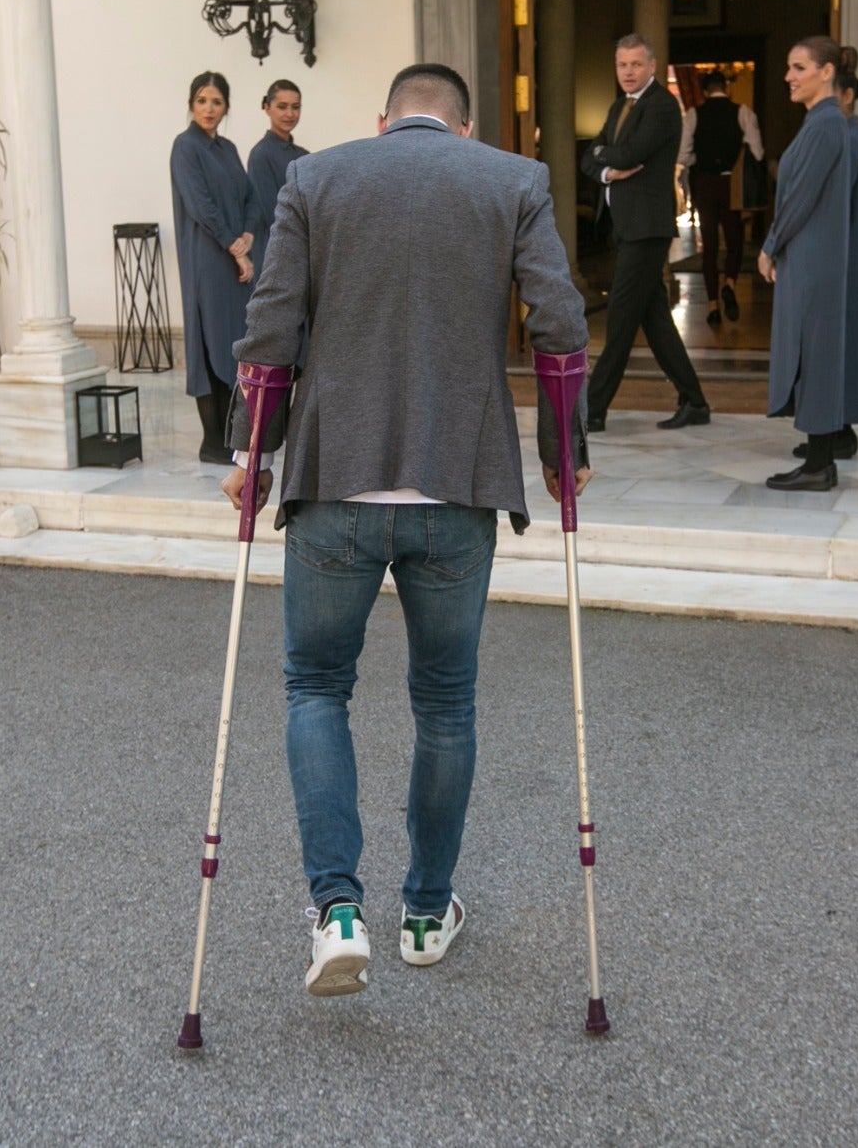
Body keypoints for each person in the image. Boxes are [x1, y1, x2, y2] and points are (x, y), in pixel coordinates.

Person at [221, 63, 591, 999]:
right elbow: (558, 322)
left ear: (384, 121)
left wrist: (251, 453)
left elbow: (270, 323)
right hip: (458, 483)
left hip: (336, 475)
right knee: (445, 702)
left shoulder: (317, 177)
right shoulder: (510, 180)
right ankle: (426, 911)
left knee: (315, 686)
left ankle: (338, 909)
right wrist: (562, 449)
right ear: (465, 129)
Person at [579, 33, 711, 432]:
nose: (628, 72)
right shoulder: (620, 105)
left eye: (636, 64)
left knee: (620, 318)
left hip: (648, 228)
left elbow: (629, 153)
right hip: (627, 225)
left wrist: (608, 158)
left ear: (652, 66)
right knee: (654, 319)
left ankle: (592, 409)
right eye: (622, 65)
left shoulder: (663, 106)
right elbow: (591, 155)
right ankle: (695, 401)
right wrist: (606, 167)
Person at [756, 37, 857, 491]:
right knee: (816, 352)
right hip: (813, 253)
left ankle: (818, 465)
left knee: (816, 353)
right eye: (789, 67)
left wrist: (771, 244)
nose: (788, 77)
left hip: (812, 256)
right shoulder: (825, 123)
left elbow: (801, 196)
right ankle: (820, 458)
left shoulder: (826, 125)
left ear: (827, 72)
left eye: (799, 68)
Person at [169, 71, 256, 465]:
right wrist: (233, 247)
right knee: (210, 339)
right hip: (208, 258)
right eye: (202, 100)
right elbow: (200, 205)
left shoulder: (228, 148)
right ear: (191, 104)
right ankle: (212, 442)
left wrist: (249, 235)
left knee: (234, 340)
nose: (209, 108)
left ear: (226, 108)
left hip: (234, 259)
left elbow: (250, 195)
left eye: (217, 102)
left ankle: (233, 435)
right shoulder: (185, 147)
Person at [795, 53, 858, 463]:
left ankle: (830, 438)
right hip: (841, 254)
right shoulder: (846, 135)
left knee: (829, 349)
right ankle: (837, 432)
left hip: (834, 257)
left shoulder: (842, 136)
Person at [677, 69, 764, 328]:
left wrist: (699, 160)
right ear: (726, 87)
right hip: (731, 183)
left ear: (704, 90)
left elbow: (682, 155)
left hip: (705, 182)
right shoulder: (743, 112)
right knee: (735, 240)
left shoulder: (694, 115)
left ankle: (713, 306)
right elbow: (757, 153)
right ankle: (729, 283)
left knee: (710, 246)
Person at [246, 79, 307, 282]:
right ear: (267, 107)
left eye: (295, 107)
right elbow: (270, 210)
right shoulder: (261, 154)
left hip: (303, 249)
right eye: (282, 107)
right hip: (276, 254)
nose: (289, 114)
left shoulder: (304, 155)